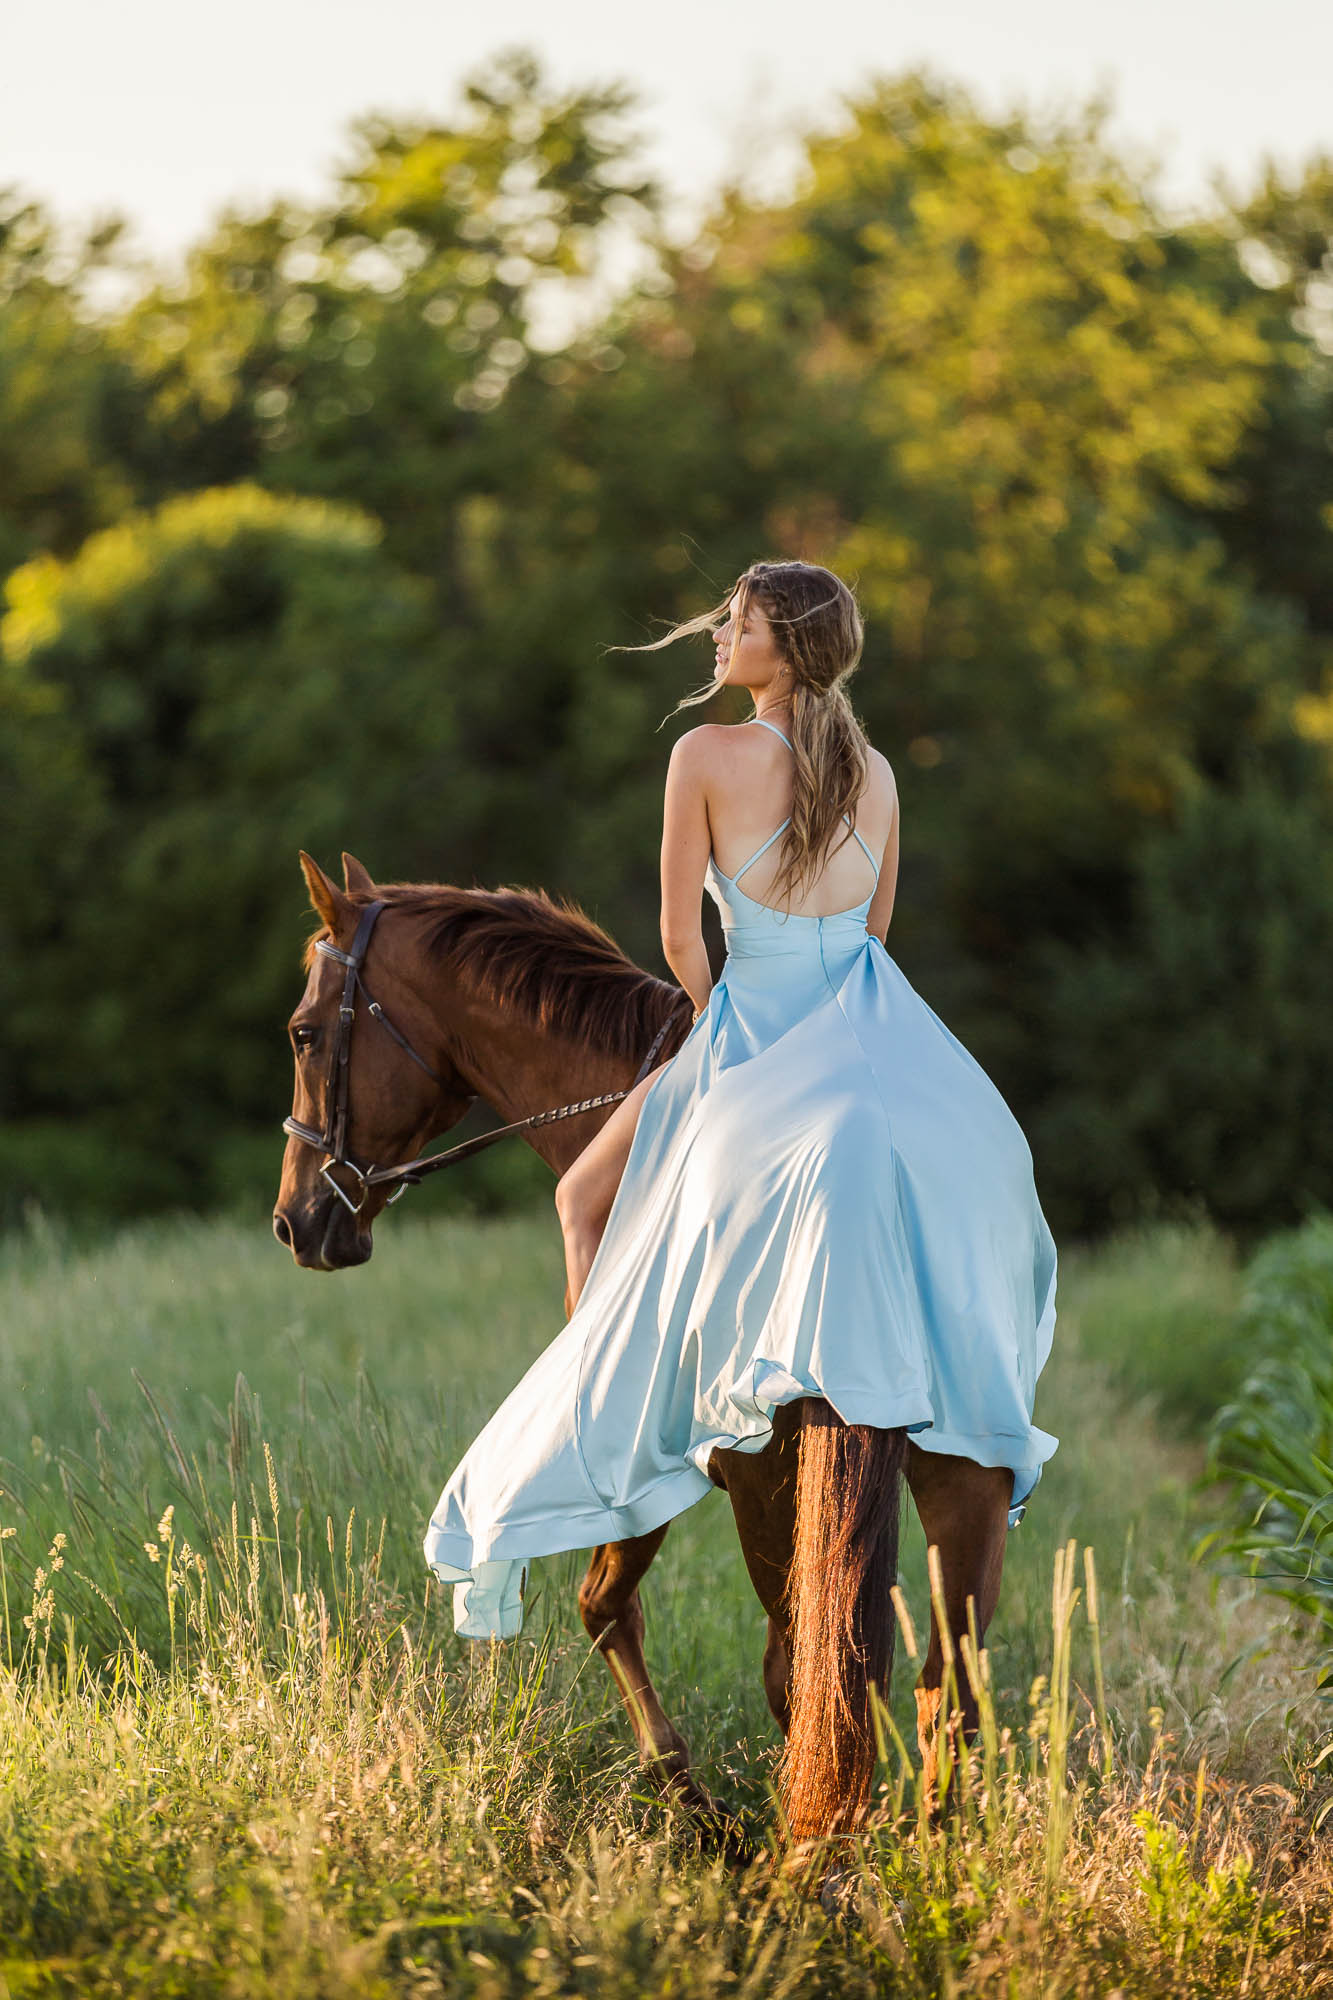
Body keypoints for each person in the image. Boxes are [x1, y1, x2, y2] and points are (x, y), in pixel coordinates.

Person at [423, 559, 1058, 1638]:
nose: (718, 636)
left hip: (753, 1012)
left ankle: (626, 1417)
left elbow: (679, 936)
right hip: (873, 1026)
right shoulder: (880, 770)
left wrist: (727, 1030)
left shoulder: (701, 754)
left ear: (785, 645)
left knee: (583, 1198)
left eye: (739, 622)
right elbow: (873, 934)